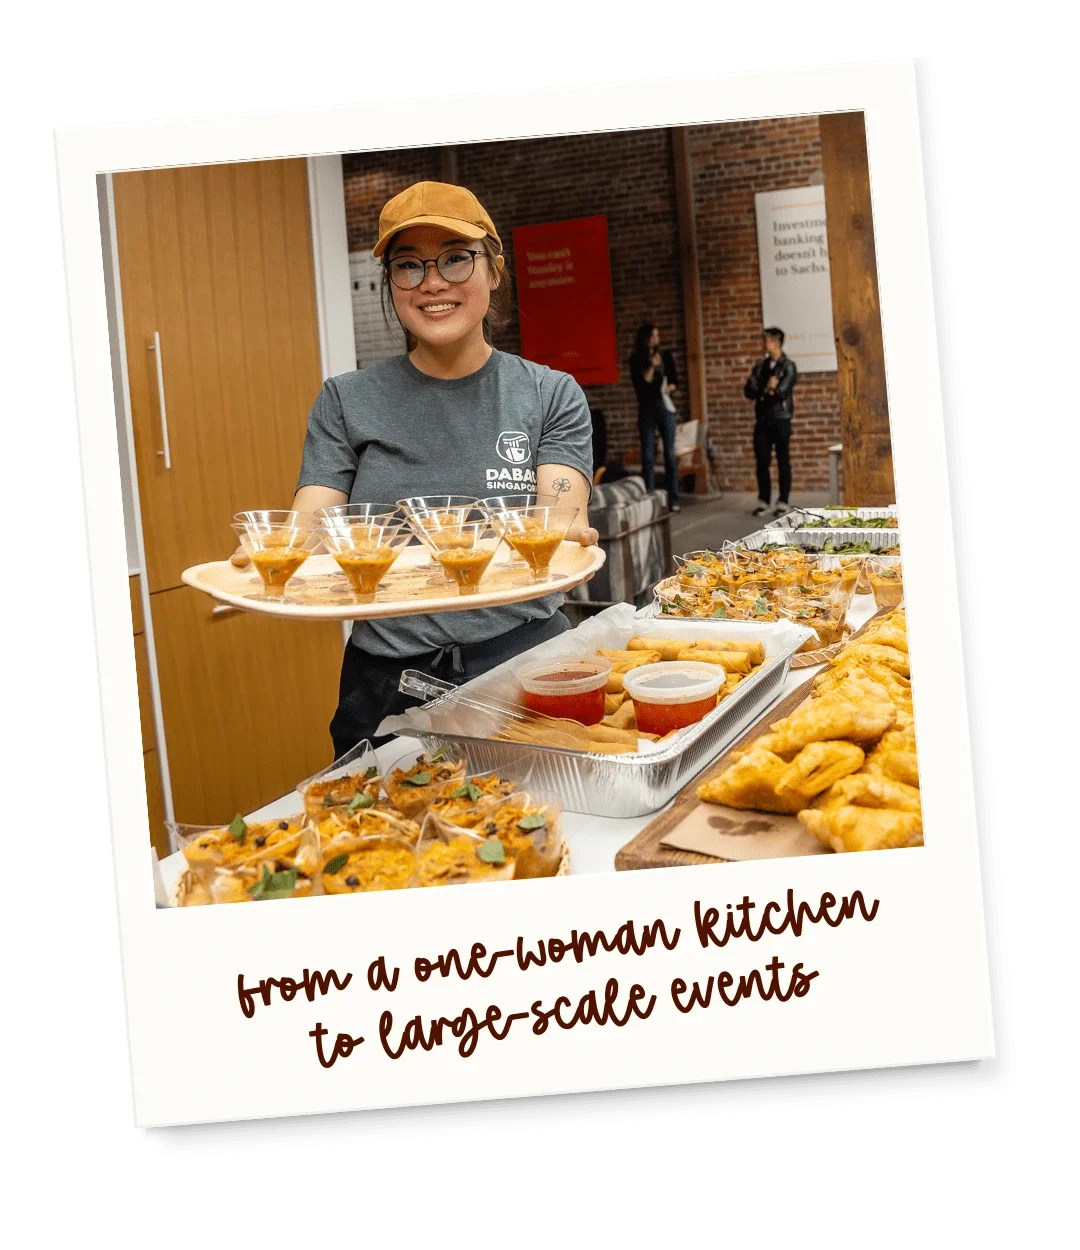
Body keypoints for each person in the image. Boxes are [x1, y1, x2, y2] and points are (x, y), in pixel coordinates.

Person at [233, 181, 597, 754]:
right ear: (392, 285)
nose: (432, 282)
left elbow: (559, 516)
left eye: (456, 259)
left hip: (527, 662)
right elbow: (313, 524)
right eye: (408, 266)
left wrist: (569, 530)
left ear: (494, 271)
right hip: (386, 681)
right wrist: (272, 555)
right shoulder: (346, 401)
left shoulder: (549, 394)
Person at [744, 326, 798, 517]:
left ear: (775, 343)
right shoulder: (760, 366)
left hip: (781, 419)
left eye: (766, 340)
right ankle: (763, 500)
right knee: (762, 461)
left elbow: (781, 392)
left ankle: (783, 501)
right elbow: (749, 390)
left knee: (783, 460)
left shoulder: (788, 366)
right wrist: (767, 389)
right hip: (763, 420)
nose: (763, 344)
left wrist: (768, 391)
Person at [630, 322, 680, 511]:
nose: (656, 340)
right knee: (648, 456)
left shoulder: (665, 355)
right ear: (645, 339)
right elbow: (642, 384)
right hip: (646, 408)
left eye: (657, 336)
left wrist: (670, 387)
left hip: (664, 405)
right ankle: (650, 500)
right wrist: (652, 365)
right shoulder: (636, 359)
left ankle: (674, 500)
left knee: (669, 454)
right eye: (653, 337)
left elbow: (675, 380)